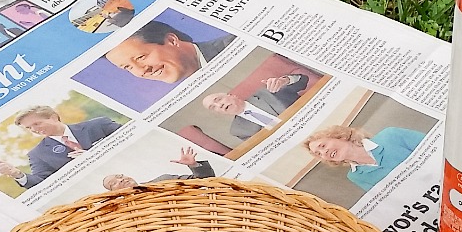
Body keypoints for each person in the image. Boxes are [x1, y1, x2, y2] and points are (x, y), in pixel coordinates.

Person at [0, 105, 121, 188]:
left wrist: (95, 156)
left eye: (37, 123)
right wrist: (18, 174)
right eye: (29, 128)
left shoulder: (99, 124)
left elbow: (135, 137)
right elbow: (41, 182)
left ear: (54, 117)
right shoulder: (38, 154)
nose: (34, 130)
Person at [104, 21, 235, 83]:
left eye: (140, 57)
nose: (141, 71)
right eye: (128, 67)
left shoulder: (232, 44)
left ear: (172, 40)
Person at [303, 124, 424, 189]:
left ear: (340, 136)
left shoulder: (390, 134)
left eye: (323, 146)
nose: (324, 153)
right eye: (319, 154)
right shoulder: (355, 177)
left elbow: (438, 146)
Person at [201, 73, 310, 140]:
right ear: (218, 113)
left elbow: (303, 81)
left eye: (218, 99)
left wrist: (285, 80)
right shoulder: (238, 130)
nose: (219, 105)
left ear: (231, 95)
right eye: (213, 107)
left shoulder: (267, 91)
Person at [102, 147, 215, 191]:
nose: (120, 180)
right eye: (113, 183)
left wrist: (194, 165)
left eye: (120, 176)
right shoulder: (125, 209)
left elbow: (207, 181)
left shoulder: (163, 180)